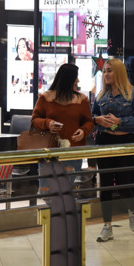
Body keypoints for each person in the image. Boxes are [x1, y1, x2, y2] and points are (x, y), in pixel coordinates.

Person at [92, 59, 134, 242]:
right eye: (105, 71)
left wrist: (119, 122)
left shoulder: (133, 93)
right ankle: (107, 226)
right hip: (104, 140)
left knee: (123, 183)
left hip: (126, 141)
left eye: (110, 71)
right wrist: (99, 120)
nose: (106, 74)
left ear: (119, 73)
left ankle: (132, 208)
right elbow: (92, 116)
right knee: (105, 184)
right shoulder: (100, 95)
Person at [31, 63, 94, 194]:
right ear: (67, 79)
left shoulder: (81, 99)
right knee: (46, 190)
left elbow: (89, 121)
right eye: (76, 77)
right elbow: (34, 120)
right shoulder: (45, 98)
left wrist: (83, 131)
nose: (78, 80)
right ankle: (54, 213)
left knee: (65, 189)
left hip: (72, 152)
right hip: (48, 151)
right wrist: (47, 123)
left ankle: (60, 213)